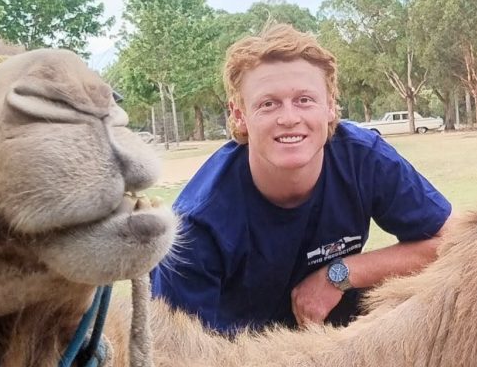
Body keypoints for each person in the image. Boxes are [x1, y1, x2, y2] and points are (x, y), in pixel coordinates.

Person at [150, 24, 452, 334]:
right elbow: (174, 351)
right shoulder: (194, 227)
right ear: (239, 115)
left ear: (330, 106)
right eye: (268, 104)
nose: (289, 118)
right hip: (236, 357)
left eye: (304, 100)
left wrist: (339, 273)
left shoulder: (363, 159)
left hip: (338, 344)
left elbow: (454, 242)